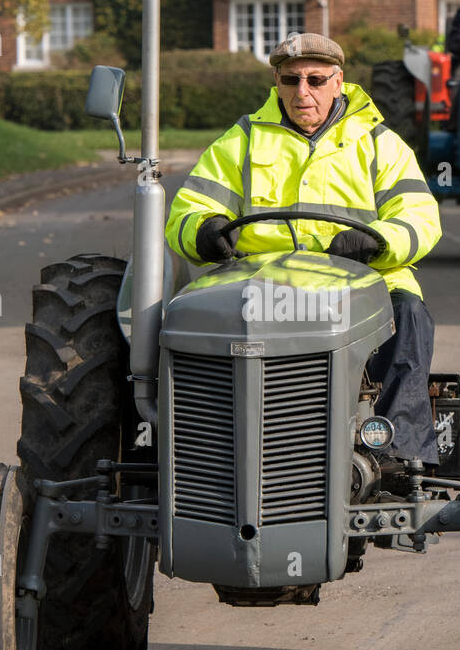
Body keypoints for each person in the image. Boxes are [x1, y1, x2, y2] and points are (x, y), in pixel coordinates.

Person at [164, 31, 443, 470]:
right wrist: (203, 231)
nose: (303, 92)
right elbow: (187, 212)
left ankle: (396, 454)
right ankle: (205, 456)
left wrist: (378, 242)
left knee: (406, 314)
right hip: (259, 280)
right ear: (276, 82)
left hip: (366, 279)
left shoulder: (379, 143)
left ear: (338, 81)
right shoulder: (240, 141)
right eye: (291, 80)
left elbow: (421, 219)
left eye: (315, 79)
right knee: (194, 321)